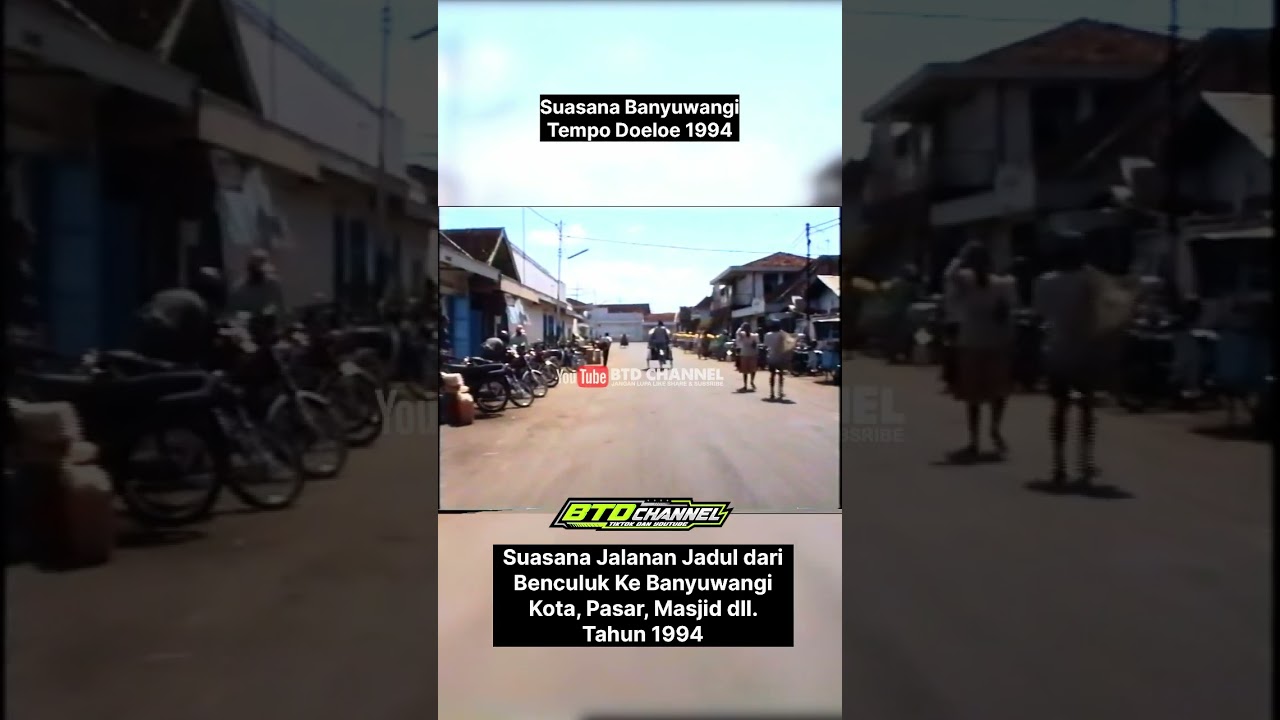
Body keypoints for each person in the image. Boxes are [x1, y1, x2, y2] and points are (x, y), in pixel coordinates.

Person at [1034, 238, 1104, 486]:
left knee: (1060, 408)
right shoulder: (1088, 280)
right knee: (1086, 408)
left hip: (1055, 351)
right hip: (1084, 349)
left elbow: (1039, 313)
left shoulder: (1045, 281)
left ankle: (1058, 462)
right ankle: (1084, 461)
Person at [945, 241, 1018, 460]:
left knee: (979, 395)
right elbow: (1009, 310)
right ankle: (988, 432)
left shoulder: (973, 282)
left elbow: (950, 273)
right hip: (991, 342)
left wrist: (961, 256)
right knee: (990, 393)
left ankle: (979, 437)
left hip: (977, 342)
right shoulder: (998, 283)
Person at [136, 266, 226, 365]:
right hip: (162, 354)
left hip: (138, 344)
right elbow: (194, 344)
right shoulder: (198, 306)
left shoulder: (170, 294)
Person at [227, 249, 286, 318]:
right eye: (256, 270)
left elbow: (278, 307)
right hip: (247, 325)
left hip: (270, 323)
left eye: (262, 271)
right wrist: (254, 316)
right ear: (250, 269)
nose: (260, 274)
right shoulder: (239, 288)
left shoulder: (274, 285)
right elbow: (234, 313)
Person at [763, 321, 791, 400]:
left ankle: (772, 392)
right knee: (781, 375)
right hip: (781, 357)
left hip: (771, 357)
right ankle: (780, 391)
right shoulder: (782, 334)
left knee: (772, 375)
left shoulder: (767, 335)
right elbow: (789, 341)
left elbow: (765, 346)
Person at [735, 323, 759, 391]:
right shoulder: (753, 335)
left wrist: (741, 327)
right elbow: (756, 344)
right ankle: (751, 382)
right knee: (751, 370)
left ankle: (746, 384)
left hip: (745, 354)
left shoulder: (744, 335)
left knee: (746, 371)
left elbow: (737, 333)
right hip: (751, 354)